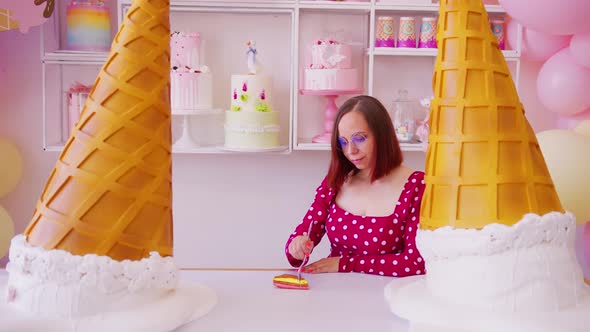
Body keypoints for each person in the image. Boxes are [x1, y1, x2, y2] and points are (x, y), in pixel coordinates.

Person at [285, 95, 426, 277]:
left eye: (359, 138)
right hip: (336, 292)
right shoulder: (335, 182)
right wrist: (296, 247)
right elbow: (296, 251)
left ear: (382, 135)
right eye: (343, 142)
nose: (350, 151)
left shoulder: (416, 186)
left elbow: (415, 263)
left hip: (388, 296)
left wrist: (346, 263)